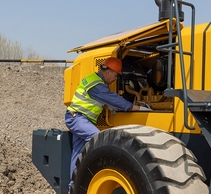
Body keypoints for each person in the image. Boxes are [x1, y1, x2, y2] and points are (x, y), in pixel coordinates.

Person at [65, 57, 152, 187]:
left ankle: (73, 186)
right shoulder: (97, 85)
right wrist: (137, 108)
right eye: (116, 75)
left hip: (79, 118)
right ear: (108, 72)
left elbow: (99, 99)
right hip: (77, 118)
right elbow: (113, 99)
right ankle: (104, 173)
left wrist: (106, 105)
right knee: (98, 139)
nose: (116, 79)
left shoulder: (96, 81)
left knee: (78, 153)